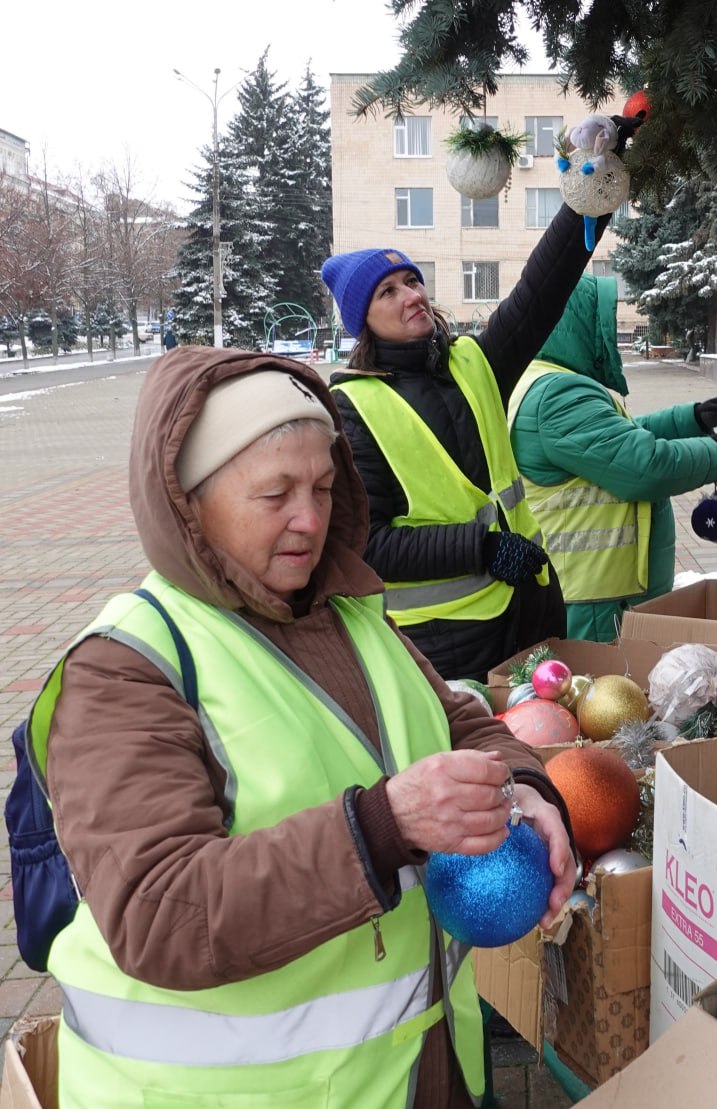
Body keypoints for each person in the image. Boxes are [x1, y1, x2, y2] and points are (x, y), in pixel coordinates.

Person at [28, 347, 576, 1108]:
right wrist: (383, 825)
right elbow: (158, 911)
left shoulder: (349, 611)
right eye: (274, 493)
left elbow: (460, 722)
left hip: (417, 1071)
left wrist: (527, 787)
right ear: (190, 501)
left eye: (323, 486)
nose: (311, 519)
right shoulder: (127, 668)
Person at [322, 116, 642, 682]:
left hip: (530, 605)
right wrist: (483, 549)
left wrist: (589, 192)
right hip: (442, 640)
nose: (411, 296)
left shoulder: (472, 363)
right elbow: (366, 546)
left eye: (413, 281)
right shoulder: (351, 410)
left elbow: (541, 291)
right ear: (361, 322)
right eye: (388, 292)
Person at [508, 274, 717, 641]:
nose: (610, 333)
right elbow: (641, 466)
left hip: (587, 587)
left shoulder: (542, 379)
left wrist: (689, 420)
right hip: (595, 598)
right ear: (577, 323)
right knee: (605, 692)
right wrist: (715, 454)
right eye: (604, 322)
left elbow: (616, 439)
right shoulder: (558, 395)